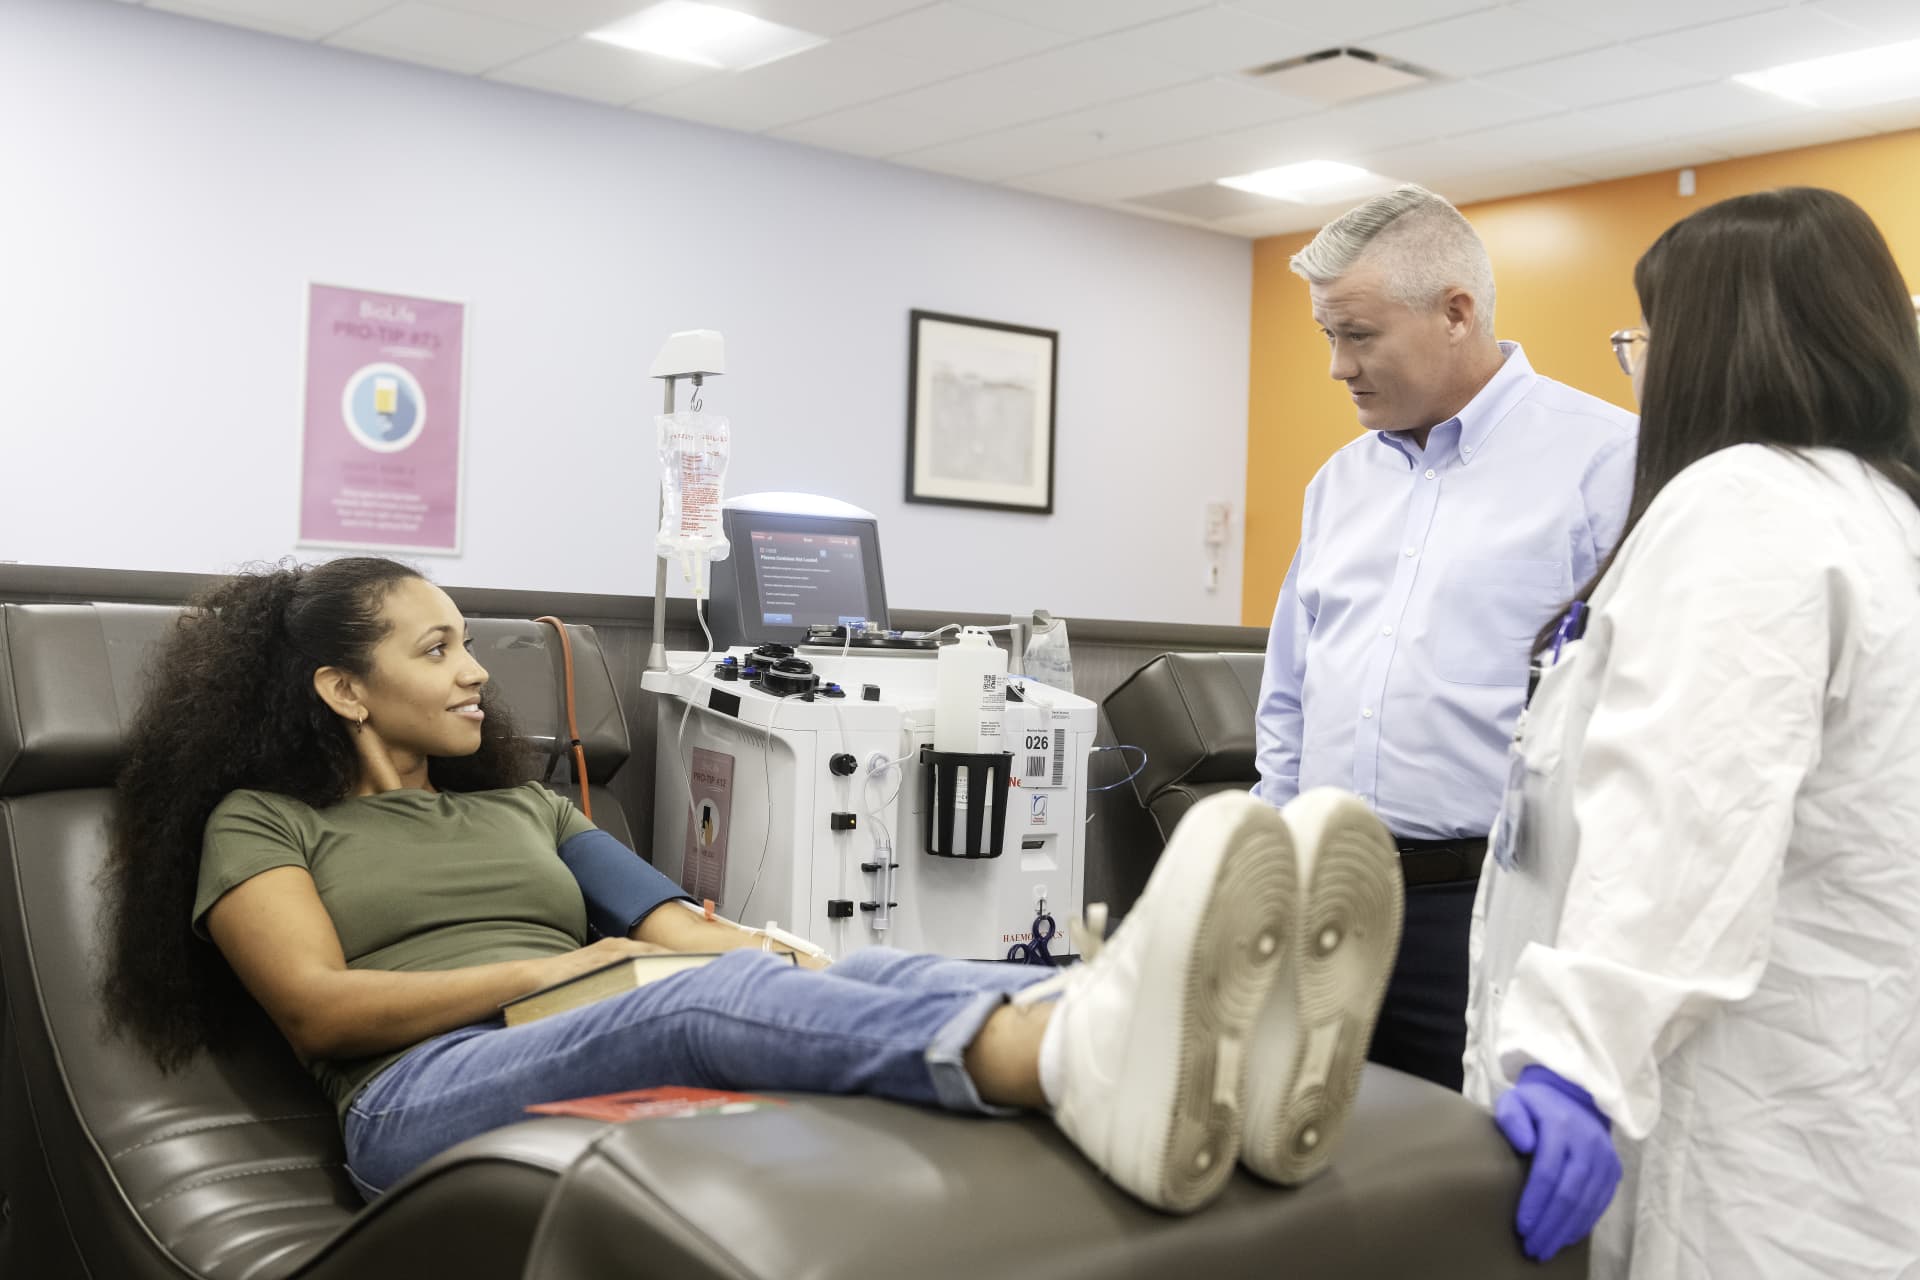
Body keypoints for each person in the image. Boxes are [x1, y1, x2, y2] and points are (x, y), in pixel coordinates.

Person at [98, 556, 1401, 1213]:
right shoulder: (261, 821)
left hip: (586, 1017)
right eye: (435, 649)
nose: (475, 670)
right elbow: (318, 1008)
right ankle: (1073, 1059)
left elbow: (680, 926)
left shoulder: (528, 804)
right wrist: (570, 968)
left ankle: (1178, 1032)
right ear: (342, 685)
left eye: (467, 644)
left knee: (841, 964)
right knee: (680, 1001)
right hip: (413, 1099)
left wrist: (809, 964)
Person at [1466, 186, 1920, 1275]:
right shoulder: (1884, 513)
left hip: (1742, 1135)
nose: (1641, 365)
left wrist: (1573, 1060)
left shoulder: (1746, 505)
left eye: (1646, 337)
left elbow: (1685, 819)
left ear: (1713, 346)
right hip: (1848, 1115)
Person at [1255, 184, 1637, 1090]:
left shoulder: (1606, 461)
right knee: (1295, 1153)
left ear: (1456, 313)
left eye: (1359, 334)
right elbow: (1290, 695)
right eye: (1327, 335)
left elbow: (1632, 710)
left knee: (1463, 1166)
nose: (1338, 366)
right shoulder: (1339, 483)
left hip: (1490, 905)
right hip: (1322, 899)